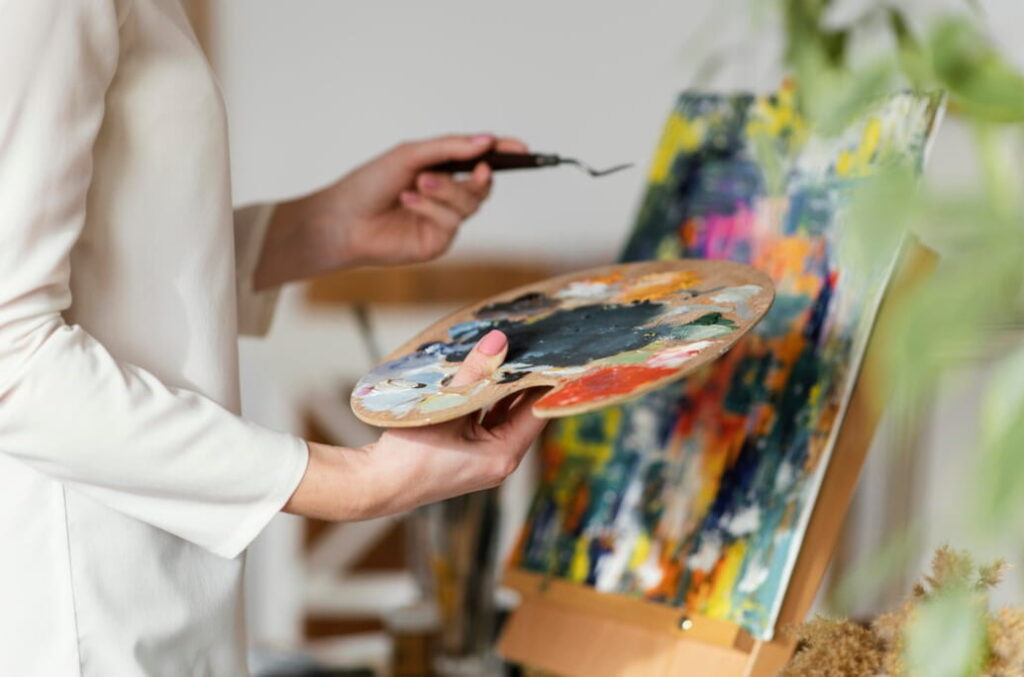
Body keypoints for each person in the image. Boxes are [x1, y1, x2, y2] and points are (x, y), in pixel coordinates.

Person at [0, 2, 546, 675]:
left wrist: (315, 230)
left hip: (152, 588)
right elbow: (10, 357)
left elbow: (101, 265)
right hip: (77, 611)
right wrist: (357, 482)